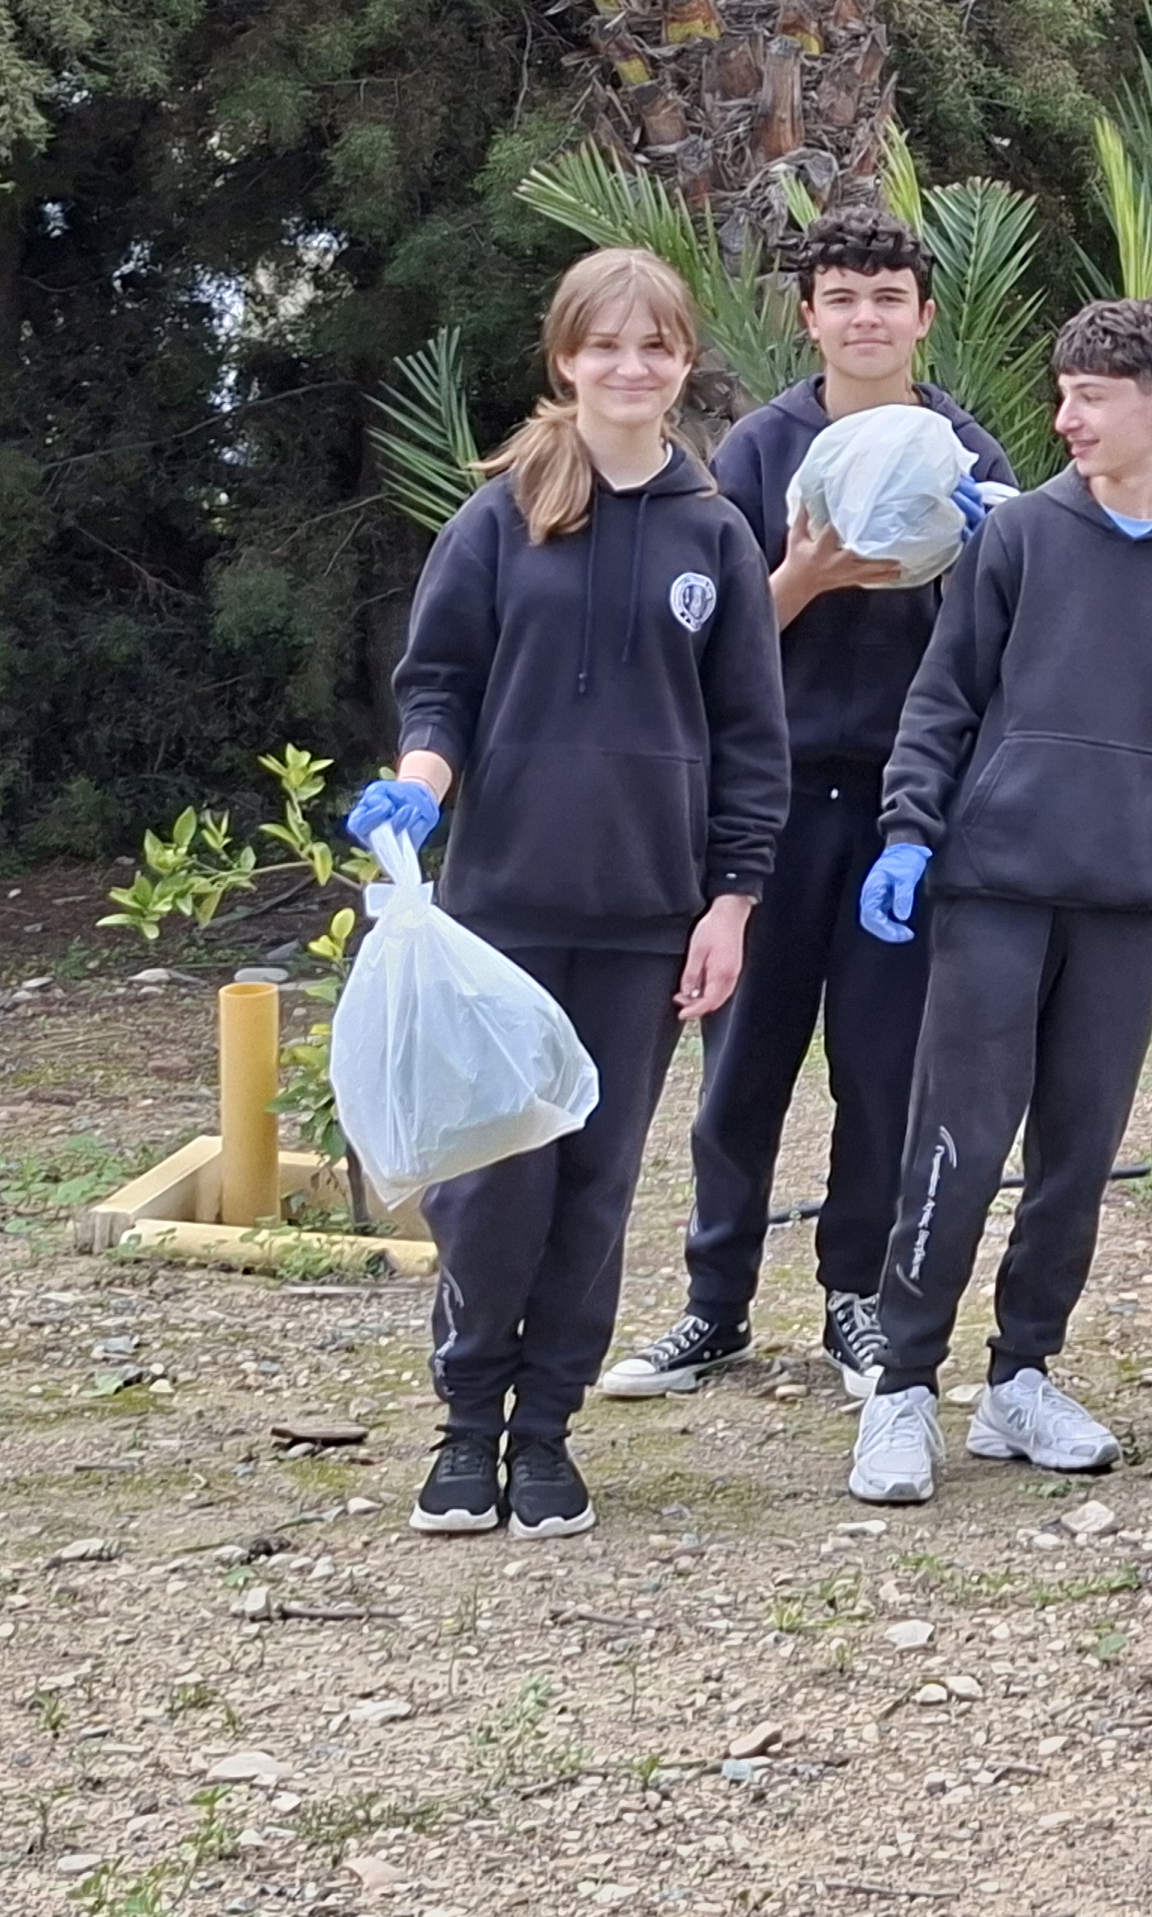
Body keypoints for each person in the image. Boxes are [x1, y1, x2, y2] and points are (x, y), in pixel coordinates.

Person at [346, 248, 786, 1540]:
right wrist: (419, 787)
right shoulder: (498, 518)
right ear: (565, 360)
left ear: (684, 362)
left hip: (649, 922)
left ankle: (546, 1434)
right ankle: (465, 1426)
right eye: (606, 345)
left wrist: (731, 904)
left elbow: (751, 741)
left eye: (655, 345)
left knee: (594, 1181)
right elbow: (441, 687)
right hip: (503, 914)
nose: (630, 367)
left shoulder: (717, 535)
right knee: (493, 1181)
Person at [845, 296, 1152, 1507]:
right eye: (1064, 392)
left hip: (1122, 901)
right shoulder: (1020, 537)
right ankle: (902, 1389)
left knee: (1076, 1155)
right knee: (958, 1141)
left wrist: (1127, 770)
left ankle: (1021, 1378)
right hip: (993, 887)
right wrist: (909, 831)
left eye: (1090, 397)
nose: (1064, 418)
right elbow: (943, 696)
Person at [604, 206, 1016, 1406]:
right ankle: (713, 1304)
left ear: (924, 317)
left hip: (902, 816)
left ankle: (857, 1300)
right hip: (768, 811)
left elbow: (998, 644)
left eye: (887, 299)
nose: (865, 318)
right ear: (809, 317)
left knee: (882, 1071)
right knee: (741, 1067)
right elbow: (710, 642)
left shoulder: (967, 452)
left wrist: (994, 552)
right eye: (843, 298)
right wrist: (806, 575)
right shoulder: (759, 450)